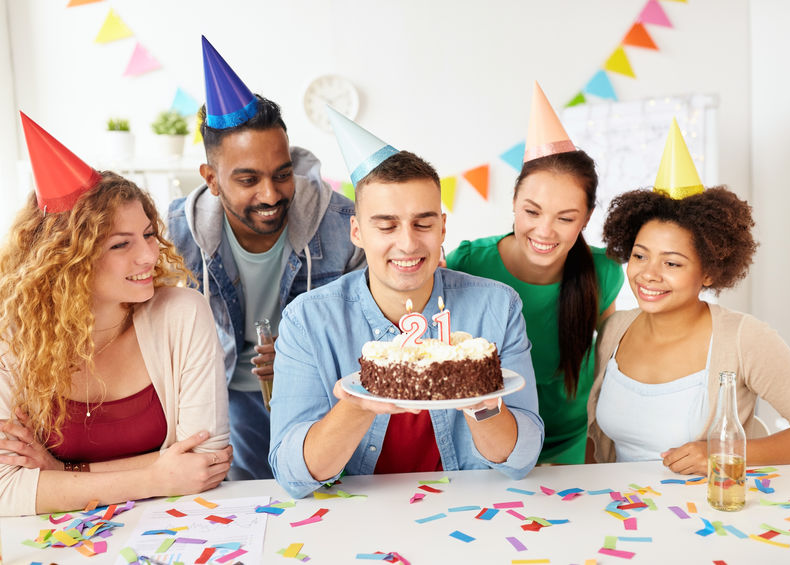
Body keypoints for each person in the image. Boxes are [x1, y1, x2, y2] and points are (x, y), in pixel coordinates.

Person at [269, 109, 543, 498]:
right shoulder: (308, 320)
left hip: (468, 510)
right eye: (386, 225)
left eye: (423, 224)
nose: (408, 243)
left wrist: (480, 400)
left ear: (443, 227)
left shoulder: (497, 307)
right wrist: (359, 405)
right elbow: (293, 475)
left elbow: (521, 459)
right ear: (357, 231)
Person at [0, 113, 230, 516]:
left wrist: (62, 473)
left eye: (148, 234)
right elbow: (5, 489)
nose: (149, 255)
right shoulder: (13, 338)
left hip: (176, 529)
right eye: (121, 245)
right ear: (67, 260)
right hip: (57, 541)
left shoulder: (182, 314)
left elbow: (204, 463)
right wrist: (155, 477)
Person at [586, 120, 790, 473]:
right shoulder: (615, 330)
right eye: (639, 255)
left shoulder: (744, 339)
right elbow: (598, 443)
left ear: (709, 271)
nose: (648, 273)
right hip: (624, 506)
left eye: (672, 263)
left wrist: (724, 452)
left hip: (712, 506)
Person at [168, 38, 364, 480]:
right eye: (248, 180)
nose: (271, 195)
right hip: (226, 404)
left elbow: (375, 325)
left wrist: (305, 355)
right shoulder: (176, 235)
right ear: (211, 179)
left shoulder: (344, 225)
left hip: (326, 397)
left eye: (282, 174)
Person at [447, 83, 623, 464]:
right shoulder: (468, 263)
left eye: (566, 218)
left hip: (573, 441)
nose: (544, 231)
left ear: (586, 218)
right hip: (491, 439)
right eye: (532, 211)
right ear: (513, 203)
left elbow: (615, 365)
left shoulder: (603, 272)